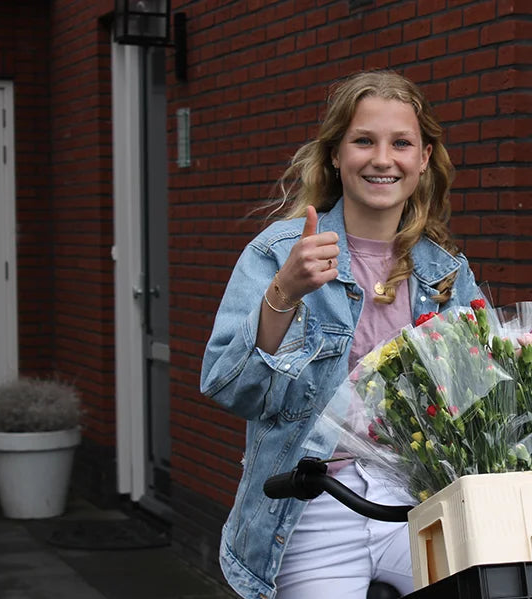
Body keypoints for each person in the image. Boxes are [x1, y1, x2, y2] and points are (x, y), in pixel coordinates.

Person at [200, 70, 482, 599]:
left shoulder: (446, 273)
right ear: (335, 154)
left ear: (423, 160)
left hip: (420, 497)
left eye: (401, 143)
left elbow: (481, 401)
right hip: (314, 499)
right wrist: (284, 292)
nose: (382, 158)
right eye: (363, 141)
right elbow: (227, 386)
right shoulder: (280, 252)